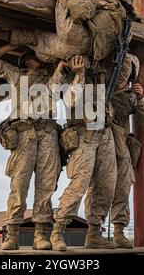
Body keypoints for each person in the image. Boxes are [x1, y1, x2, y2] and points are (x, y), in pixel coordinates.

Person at [0, 44, 62, 250]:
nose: (29, 61)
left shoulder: (55, 76)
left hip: (47, 132)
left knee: (46, 185)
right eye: (26, 59)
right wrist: (9, 46)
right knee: (19, 185)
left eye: (32, 58)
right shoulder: (16, 75)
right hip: (24, 133)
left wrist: (60, 66)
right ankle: (12, 234)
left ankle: (40, 235)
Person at [49, 55, 117, 251]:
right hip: (84, 133)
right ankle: (58, 230)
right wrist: (79, 74)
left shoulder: (100, 77)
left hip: (104, 133)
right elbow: (70, 101)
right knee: (79, 183)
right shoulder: (69, 80)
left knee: (106, 184)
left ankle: (95, 232)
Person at [9, 0, 134, 64]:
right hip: (80, 51)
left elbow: (80, 12)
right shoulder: (127, 32)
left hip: (77, 33)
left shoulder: (113, 3)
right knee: (37, 39)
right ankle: (3, 35)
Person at [110, 54, 144, 248]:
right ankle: (94, 230)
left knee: (123, 187)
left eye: (126, 71)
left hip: (122, 146)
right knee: (99, 187)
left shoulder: (131, 97)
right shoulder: (103, 91)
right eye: (121, 70)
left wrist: (140, 98)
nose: (122, 74)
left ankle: (119, 231)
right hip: (102, 141)